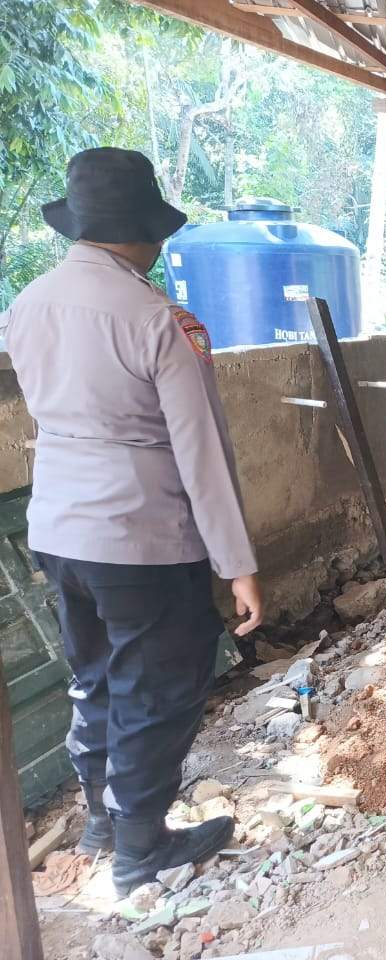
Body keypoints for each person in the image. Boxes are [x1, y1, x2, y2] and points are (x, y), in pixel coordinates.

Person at [0, 148, 263, 896]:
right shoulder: (157, 318)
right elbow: (200, 450)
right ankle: (141, 845)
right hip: (141, 536)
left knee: (95, 678)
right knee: (160, 682)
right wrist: (236, 563)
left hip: (57, 531)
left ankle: (101, 818)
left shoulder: (27, 303)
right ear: (143, 234)